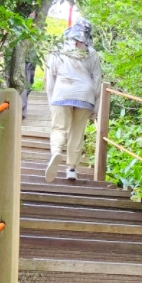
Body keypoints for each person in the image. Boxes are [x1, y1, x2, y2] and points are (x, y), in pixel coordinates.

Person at [44, 19, 102, 182]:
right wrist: (96, 108)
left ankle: (56, 152)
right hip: (85, 96)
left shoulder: (58, 50)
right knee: (77, 132)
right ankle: (71, 169)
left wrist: (51, 101)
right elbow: (97, 81)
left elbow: (50, 77)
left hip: (62, 92)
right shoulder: (92, 53)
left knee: (59, 128)